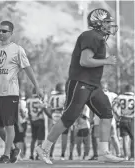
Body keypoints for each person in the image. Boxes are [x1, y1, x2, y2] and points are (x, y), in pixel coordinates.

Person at [35, 8, 124, 164]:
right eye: (107, 22)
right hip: (80, 82)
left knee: (106, 113)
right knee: (69, 117)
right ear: (98, 23)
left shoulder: (98, 38)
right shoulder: (90, 36)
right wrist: (106, 61)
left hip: (93, 85)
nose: (110, 25)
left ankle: (103, 152)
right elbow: (85, 61)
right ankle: (43, 148)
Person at [0, 20, 43, 163]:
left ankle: (6, 155)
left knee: (9, 124)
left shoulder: (17, 49)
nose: (1, 33)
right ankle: (13, 149)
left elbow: (27, 68)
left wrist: (37, 86)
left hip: (10, 93)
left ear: (11, 33)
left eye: (4, 31)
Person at [48, 83, 70, 160]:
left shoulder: (52, 97)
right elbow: (67, 108)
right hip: (62, 117)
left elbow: (49, 108)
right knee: (64, 137)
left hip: (54, 117)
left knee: (54, 137)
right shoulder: (65, 97)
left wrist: (51, 116)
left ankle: (50, 155)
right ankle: (62, 155)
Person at [113, 84, 134, 161]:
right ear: (132, 89)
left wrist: (118, 116)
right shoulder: (134, 97)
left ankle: (126, 156)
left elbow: (114, 107)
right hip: (132, 118)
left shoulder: (120, 97)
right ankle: (132, 156)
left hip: (123, 118)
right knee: (133, 138)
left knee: (125, 138)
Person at [27, 88, 48, 160]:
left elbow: (28, 112)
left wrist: (31, 119)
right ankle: (38, 155)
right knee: (40, 139)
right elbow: (44, 110)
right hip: (40, 120)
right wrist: (50, 117)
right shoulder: (41, 100)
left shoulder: (28, 101)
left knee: (33, 139)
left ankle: (31, 155)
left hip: (33, 121)